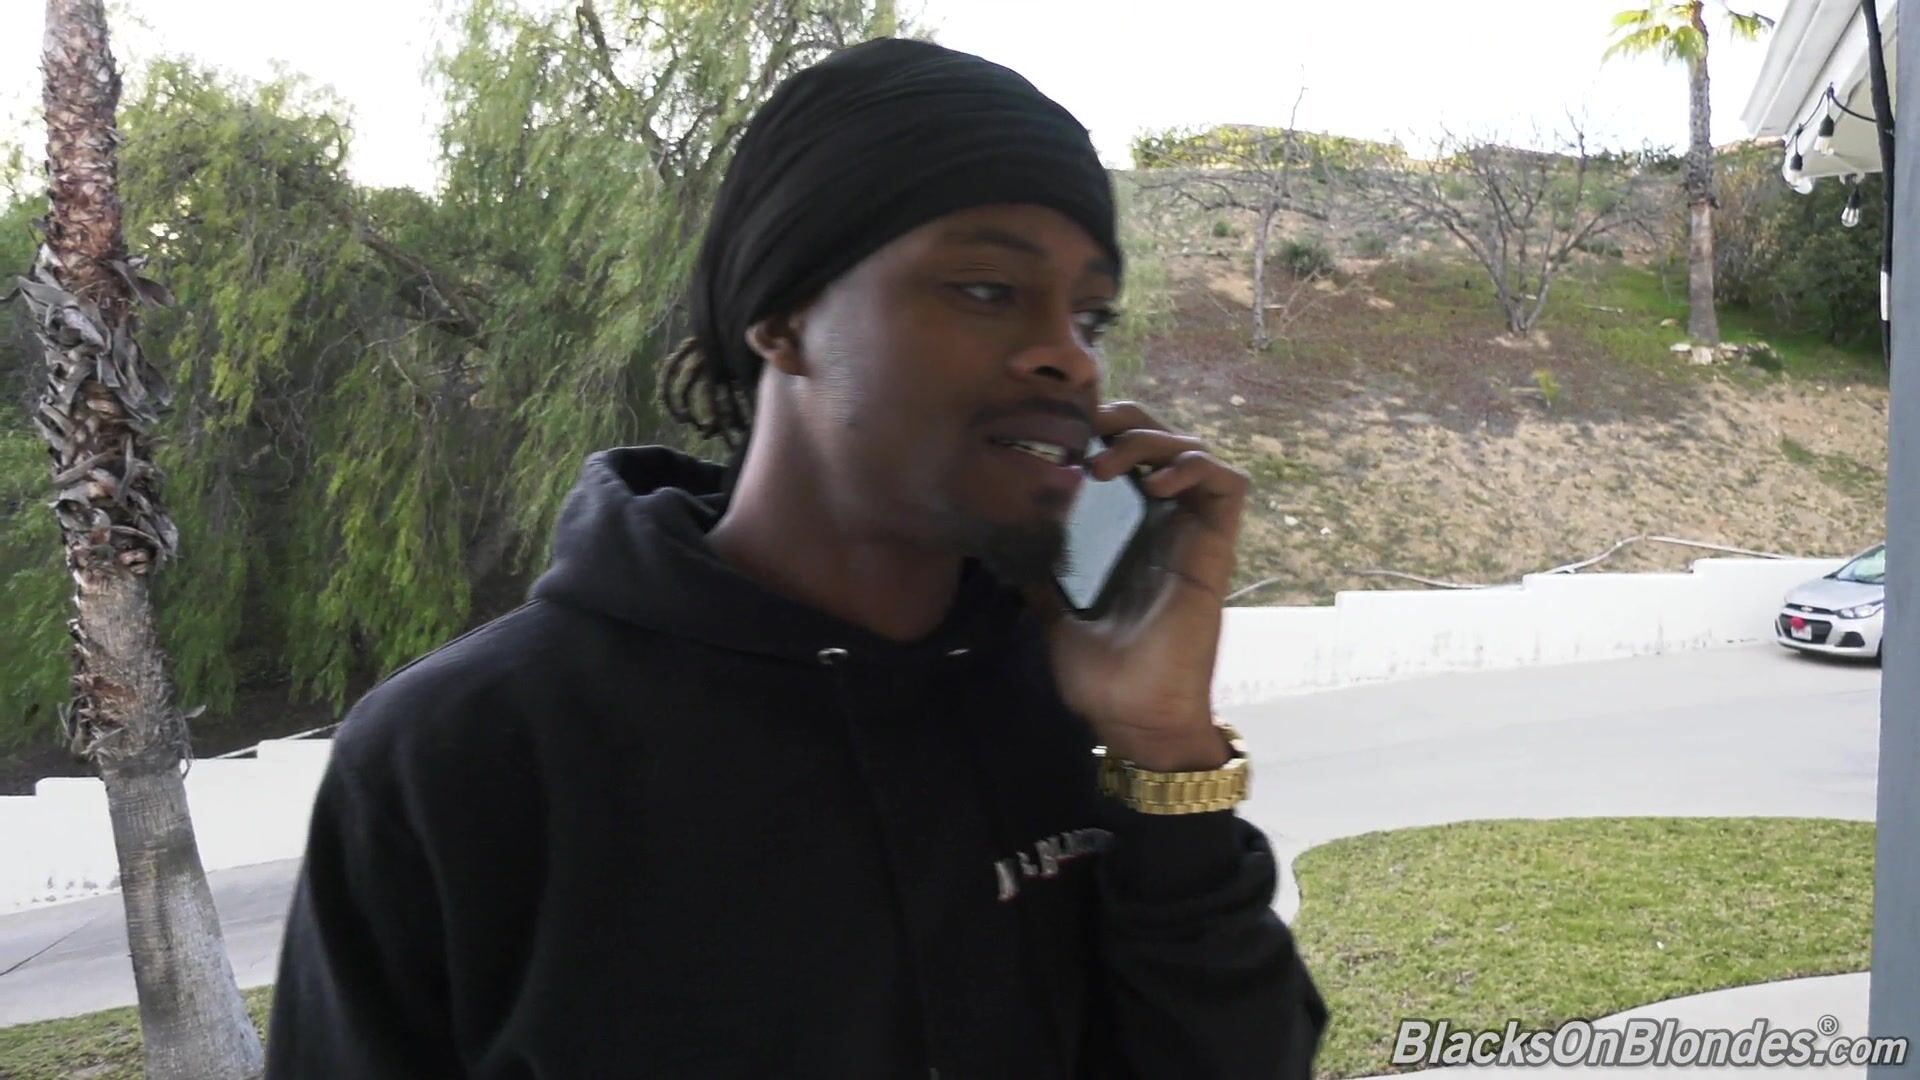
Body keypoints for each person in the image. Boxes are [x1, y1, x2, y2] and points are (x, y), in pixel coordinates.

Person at [265, 36, 1327, 1079]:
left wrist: (1165, 749)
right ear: (781, 318)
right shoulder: (462, 760)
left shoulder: (1074, 703)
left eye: (1091, 315)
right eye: (986, 288)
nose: (1071, 356)